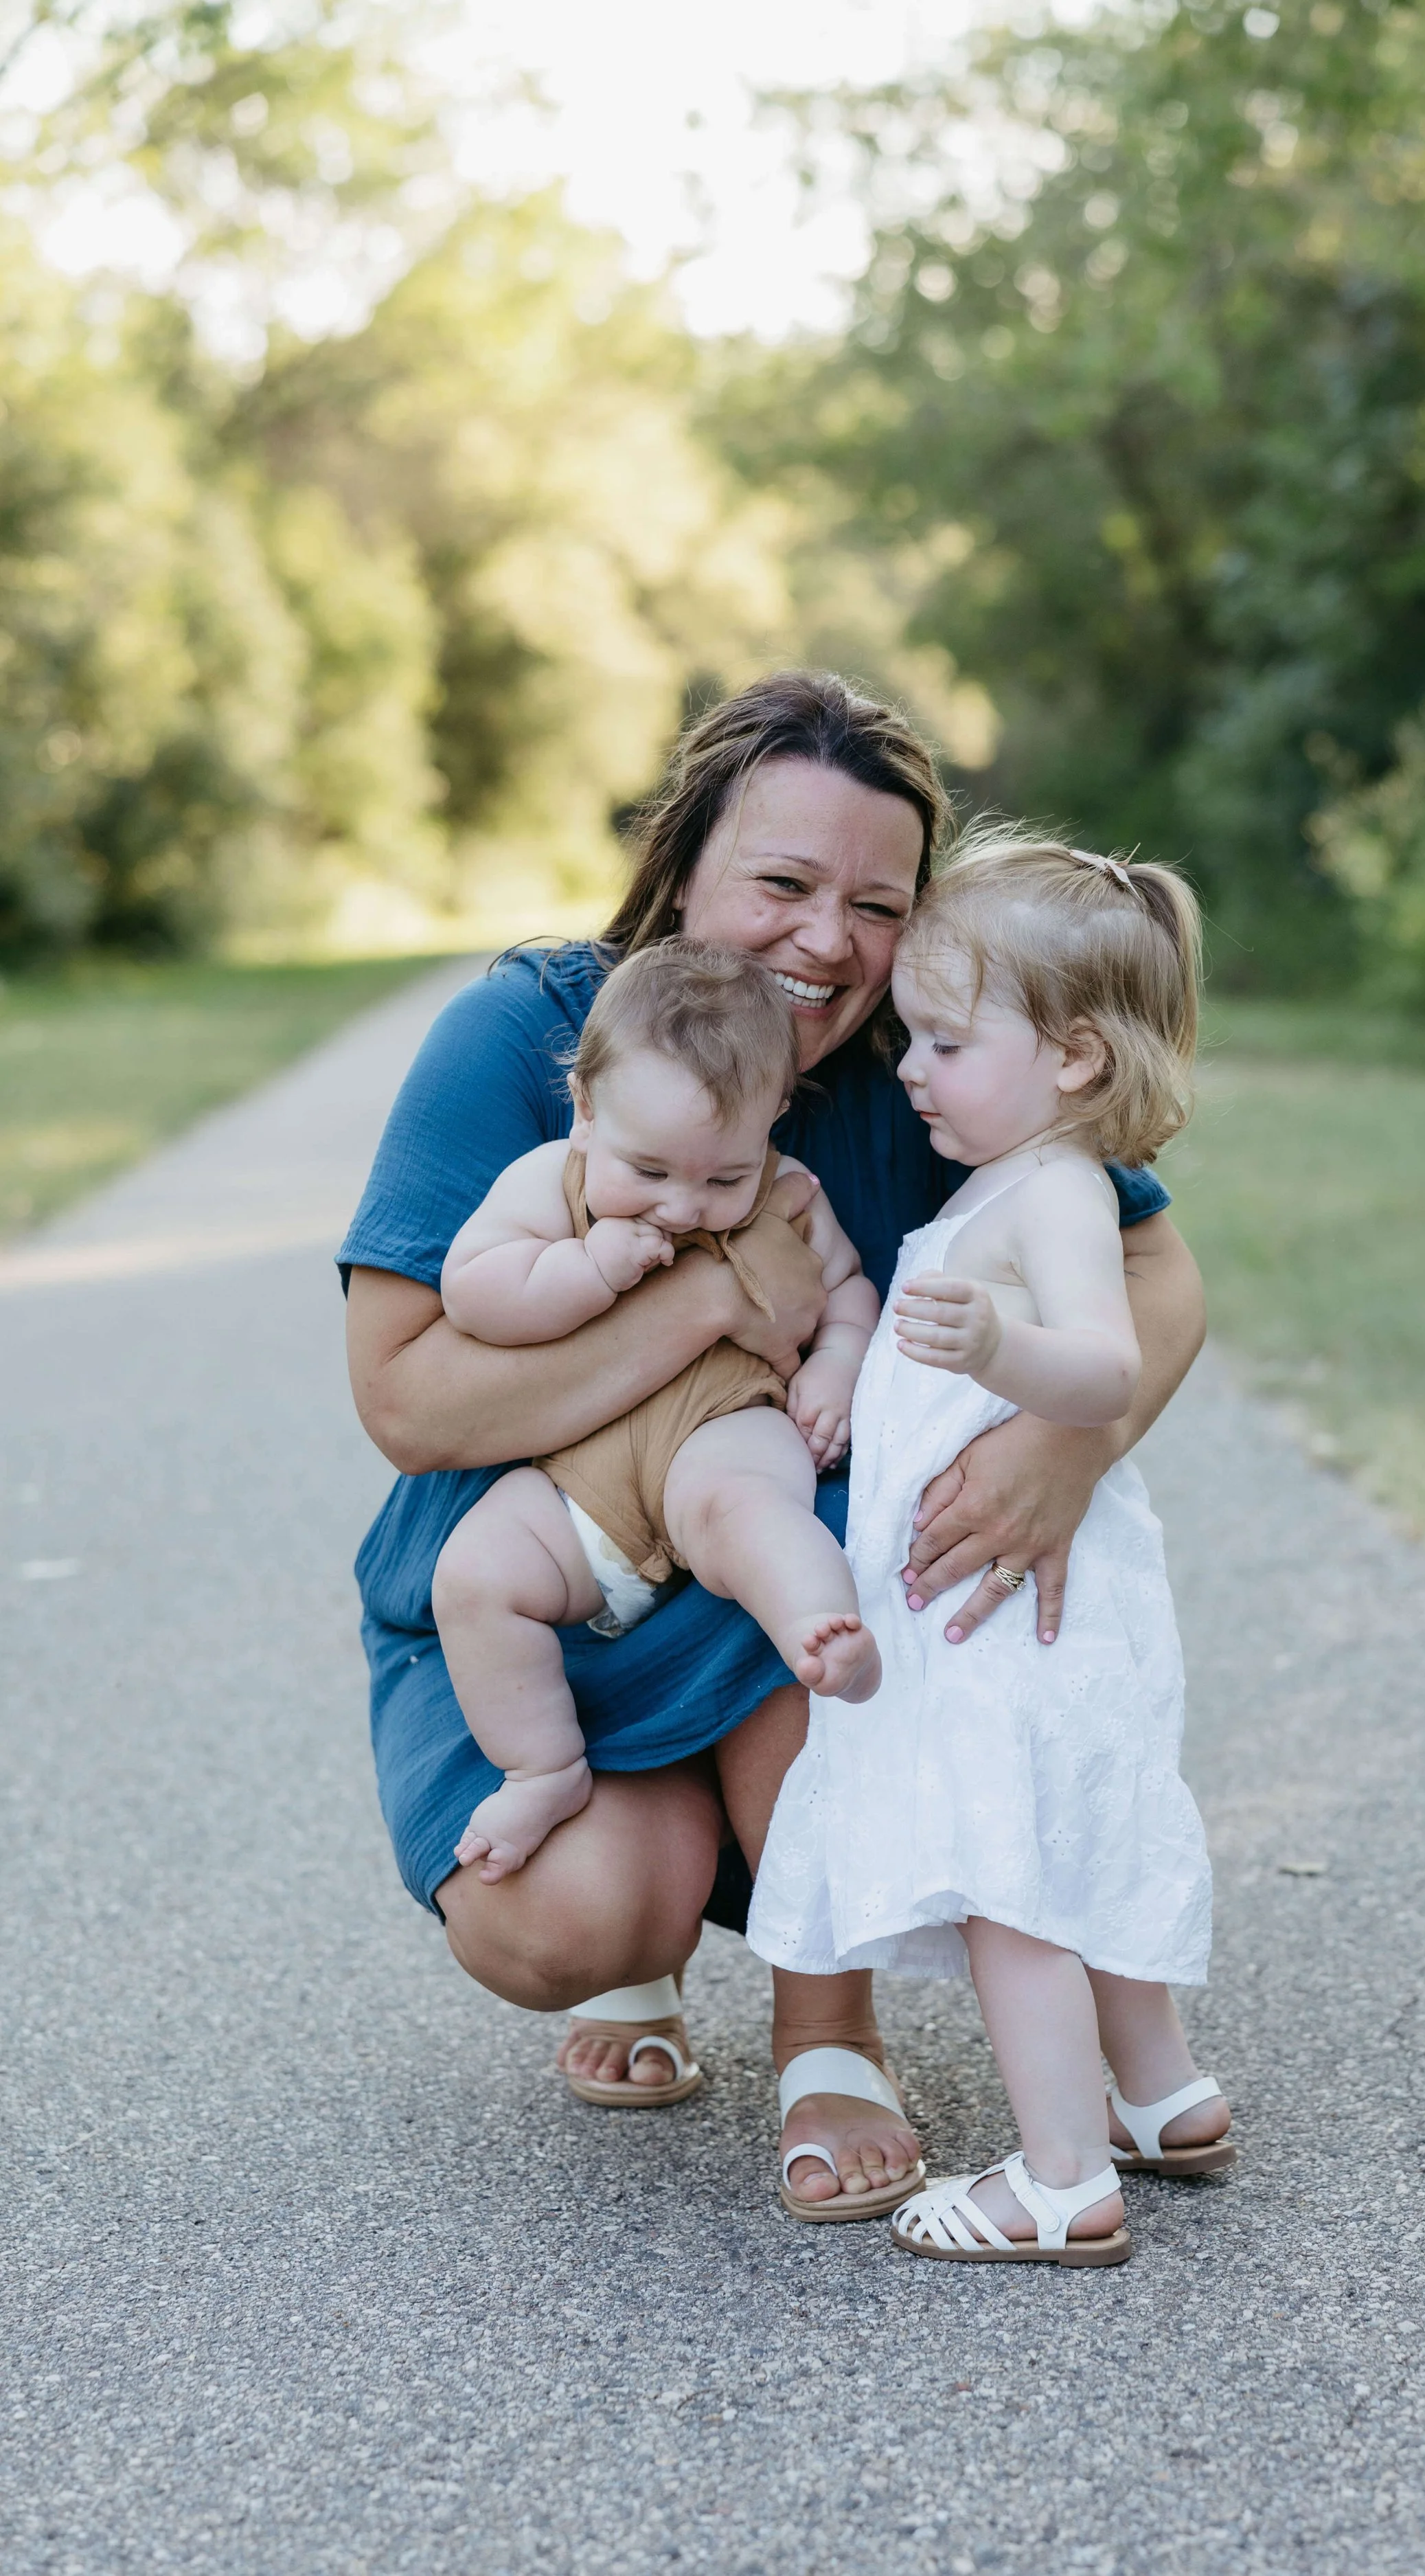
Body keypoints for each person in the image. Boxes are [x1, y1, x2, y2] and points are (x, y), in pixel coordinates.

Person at [341, 669, 1217, 2212]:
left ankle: (830, 2036)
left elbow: (1152, 1270)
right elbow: (407, 1397)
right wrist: (704, 1301)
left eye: (877, 903)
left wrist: (1065, 1449)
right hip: (554, 1565)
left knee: (815, 1595)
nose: (829, 940)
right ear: (683, 865)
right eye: (783, 883)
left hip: (773, 1567)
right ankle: (647, 1918)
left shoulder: (922, 1062)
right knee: (580, 1914)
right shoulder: (535, 1036)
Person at [750, 833, 1234, 2264]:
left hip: (1011, 1614)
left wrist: (1005, 1345)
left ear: (1075, 1059)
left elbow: (1100, 1363)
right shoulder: (998, 1182)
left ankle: (1059, 2179)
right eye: (910, 1037)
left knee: (1008, 1884)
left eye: (947, 1042)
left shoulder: (1054, 1195)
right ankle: (1160, 2094)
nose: (909, 1070)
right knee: (1066, 1847)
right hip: (992, 1609)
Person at [432, 940, 880, 1886]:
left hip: (727, 1426)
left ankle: (823, 1629)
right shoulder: (549, 1181)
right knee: (474, 1577)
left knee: (748, 1512)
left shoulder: (790, 1196)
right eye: (652, 1171)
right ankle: (543, 1765)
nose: (686, 1206)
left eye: (723, 1178)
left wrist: (837, 1365)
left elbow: (845, 1289)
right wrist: (583, 1269)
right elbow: (473, 1291)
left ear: (772, 1121)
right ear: (587, 1109)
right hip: (583, 1476)